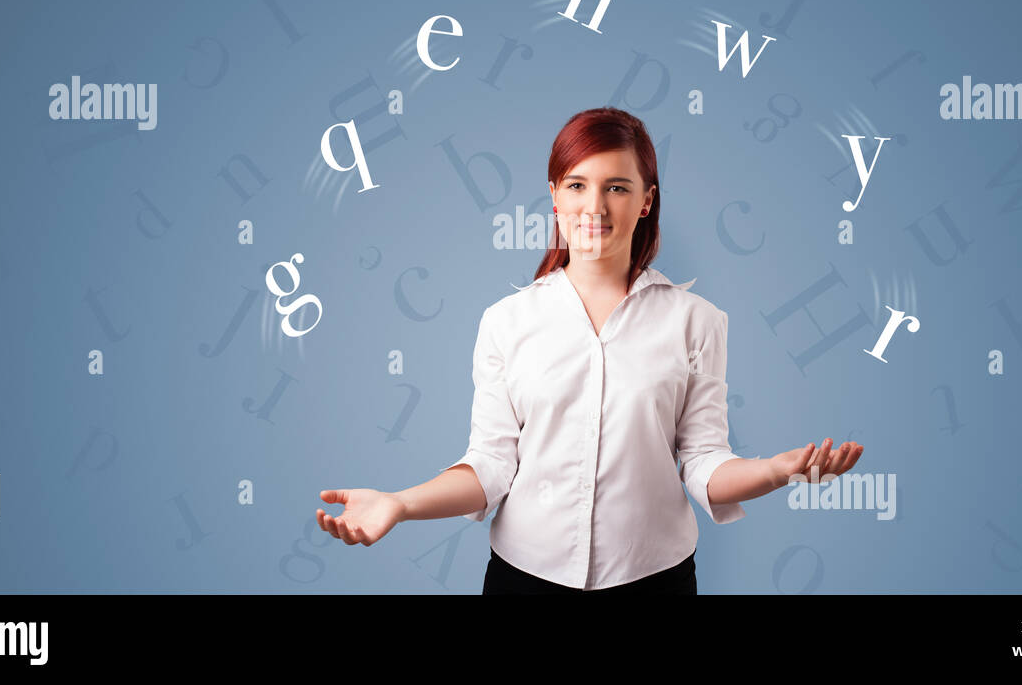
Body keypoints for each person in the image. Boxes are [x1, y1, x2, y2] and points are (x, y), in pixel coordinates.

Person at [315, 107, 864, 594]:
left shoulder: (697, 321)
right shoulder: (506, 322)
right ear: (553, 192)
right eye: (576, 185)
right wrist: (401, 504)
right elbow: (489, 466)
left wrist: (774, 470)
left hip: (656, 579)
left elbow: (703, 463)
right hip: (524, 578)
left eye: (617, 187)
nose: (594, 205)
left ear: (647, 200)